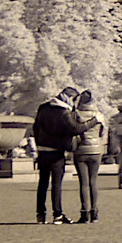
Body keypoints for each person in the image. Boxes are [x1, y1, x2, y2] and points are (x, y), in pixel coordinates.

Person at [31, 87, 86, 224]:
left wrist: (38, 143)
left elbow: (35, 127)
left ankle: (40, 215)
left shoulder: (43, 107)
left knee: (42, 183)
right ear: (70, 98)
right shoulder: (63, 112)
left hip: (43, 150)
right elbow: (75, 128)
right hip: (56, 152)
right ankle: (57, 214)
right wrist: (92, 122)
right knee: (56, 184)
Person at [72, 91, 107, 223]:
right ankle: (95, 212)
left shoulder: (76, 115)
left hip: (81, 150)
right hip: (96, 150)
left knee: (83, 183)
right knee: (93, 182)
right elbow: (103, 133)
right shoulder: (99, 115)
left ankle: (84, 212)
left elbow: (73, 131)